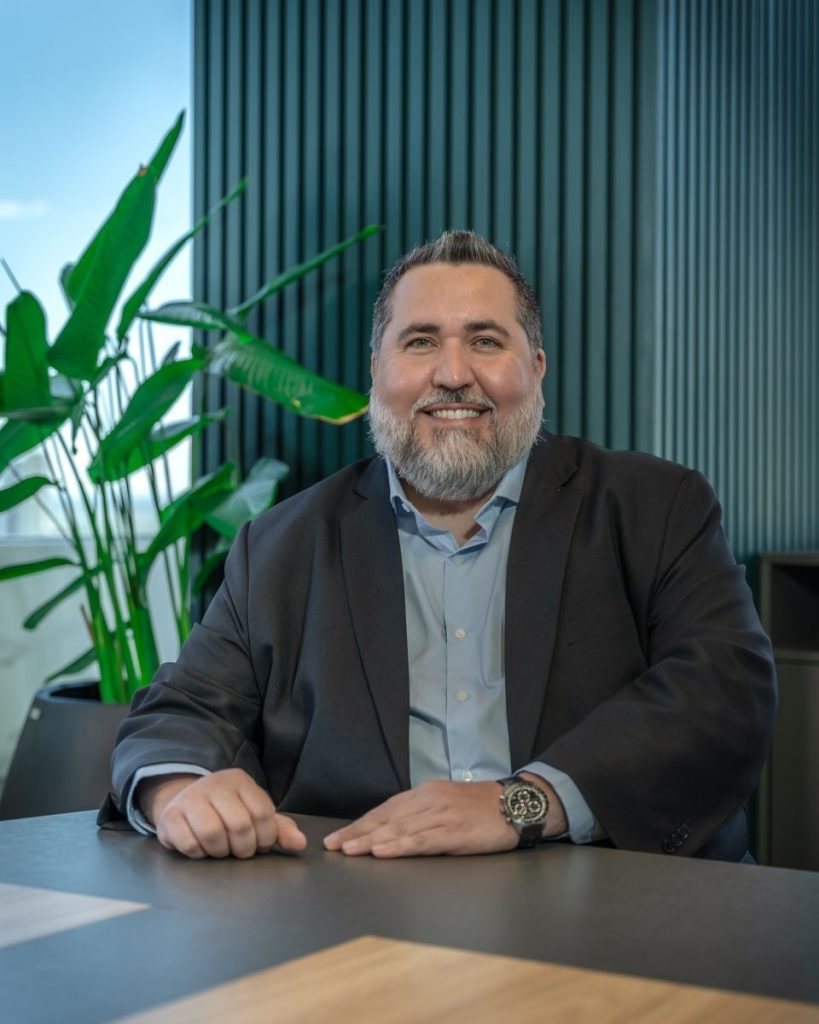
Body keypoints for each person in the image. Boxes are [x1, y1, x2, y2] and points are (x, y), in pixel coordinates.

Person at [100, 230, 776, 863]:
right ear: (377, 372)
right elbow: (182, 711)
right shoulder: (281, 544)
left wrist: (522, 803)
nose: (453, 373)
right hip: (358, 897)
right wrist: (180, 792)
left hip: (611, 895)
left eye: (485, 341)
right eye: (420, 342)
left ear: (536, 369)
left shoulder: (656, 507)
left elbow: (723, 690)